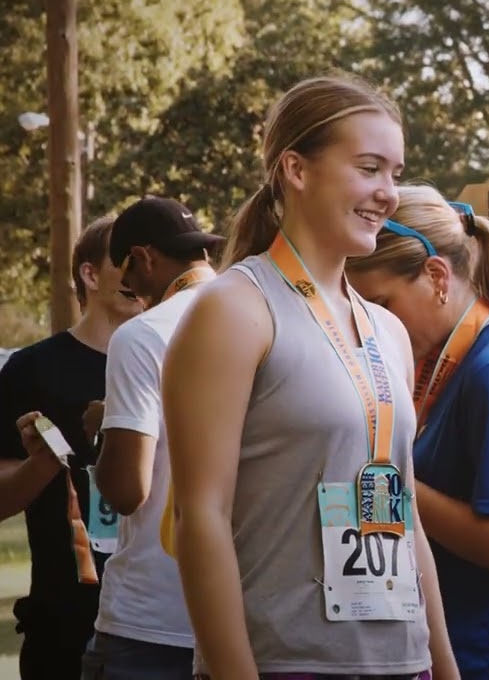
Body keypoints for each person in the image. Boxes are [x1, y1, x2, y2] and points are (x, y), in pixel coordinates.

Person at [162, 77, 456, 680]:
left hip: (402, 663)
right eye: (369, 168)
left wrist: (443, 667)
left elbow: (405, 519)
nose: (388, 193)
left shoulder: (388, 330)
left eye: (396, 173)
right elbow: (201, 516)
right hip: (286, 661)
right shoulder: (234, 310)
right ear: (295, 169)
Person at [344, 186, 489, 680]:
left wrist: (392, 482)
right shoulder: (470, 358)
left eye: (379, 303)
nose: (368, 326)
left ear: (437, 277)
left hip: (486, 658)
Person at [76, 195, 222, 679]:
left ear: (143, 259)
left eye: (130, 283)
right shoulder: (262, 318)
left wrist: (107, 429)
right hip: (238, 613)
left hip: (151, 620)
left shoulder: (142, 335)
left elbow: (126, 491)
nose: (135, 297)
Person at [0, 216, 142, 679]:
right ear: (90, 274)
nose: (141, 275)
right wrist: (43, 463)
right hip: (63, 624)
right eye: (127, 261)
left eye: (148, 262)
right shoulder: (32, 369)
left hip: (160, 624)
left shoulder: (174, 364)